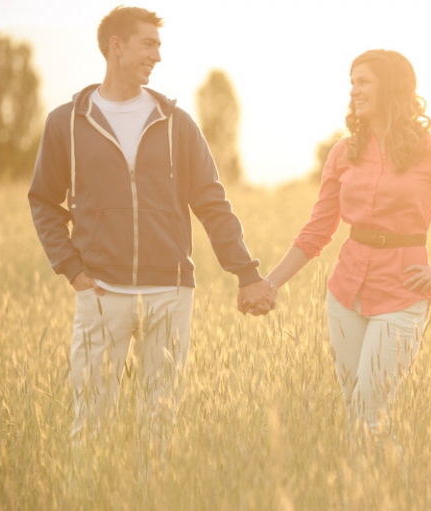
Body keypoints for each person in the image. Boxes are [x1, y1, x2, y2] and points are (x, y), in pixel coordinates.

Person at [28, 6, 276, 438]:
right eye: (149, 44)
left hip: (169, 291)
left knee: (159, 423)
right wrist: (74, 271)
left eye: (159, 46)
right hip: (101, 292)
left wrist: (246, 273)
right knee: (89, 424)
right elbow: (44, 202)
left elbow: (212, 203)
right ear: (116, 46)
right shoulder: (64, 124)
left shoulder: (177, 124)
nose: (157, 56)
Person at [261, 50, 431, 442]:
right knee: (356, 408)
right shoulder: (343, 152)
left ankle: (388, 495)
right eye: (352, 82)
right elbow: (317, 230)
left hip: (403, 293)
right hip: (345, 292)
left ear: (392, 86)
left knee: (371, 408)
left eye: (363, 81)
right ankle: (362, 494)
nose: (354, 91)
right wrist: (270, 283)